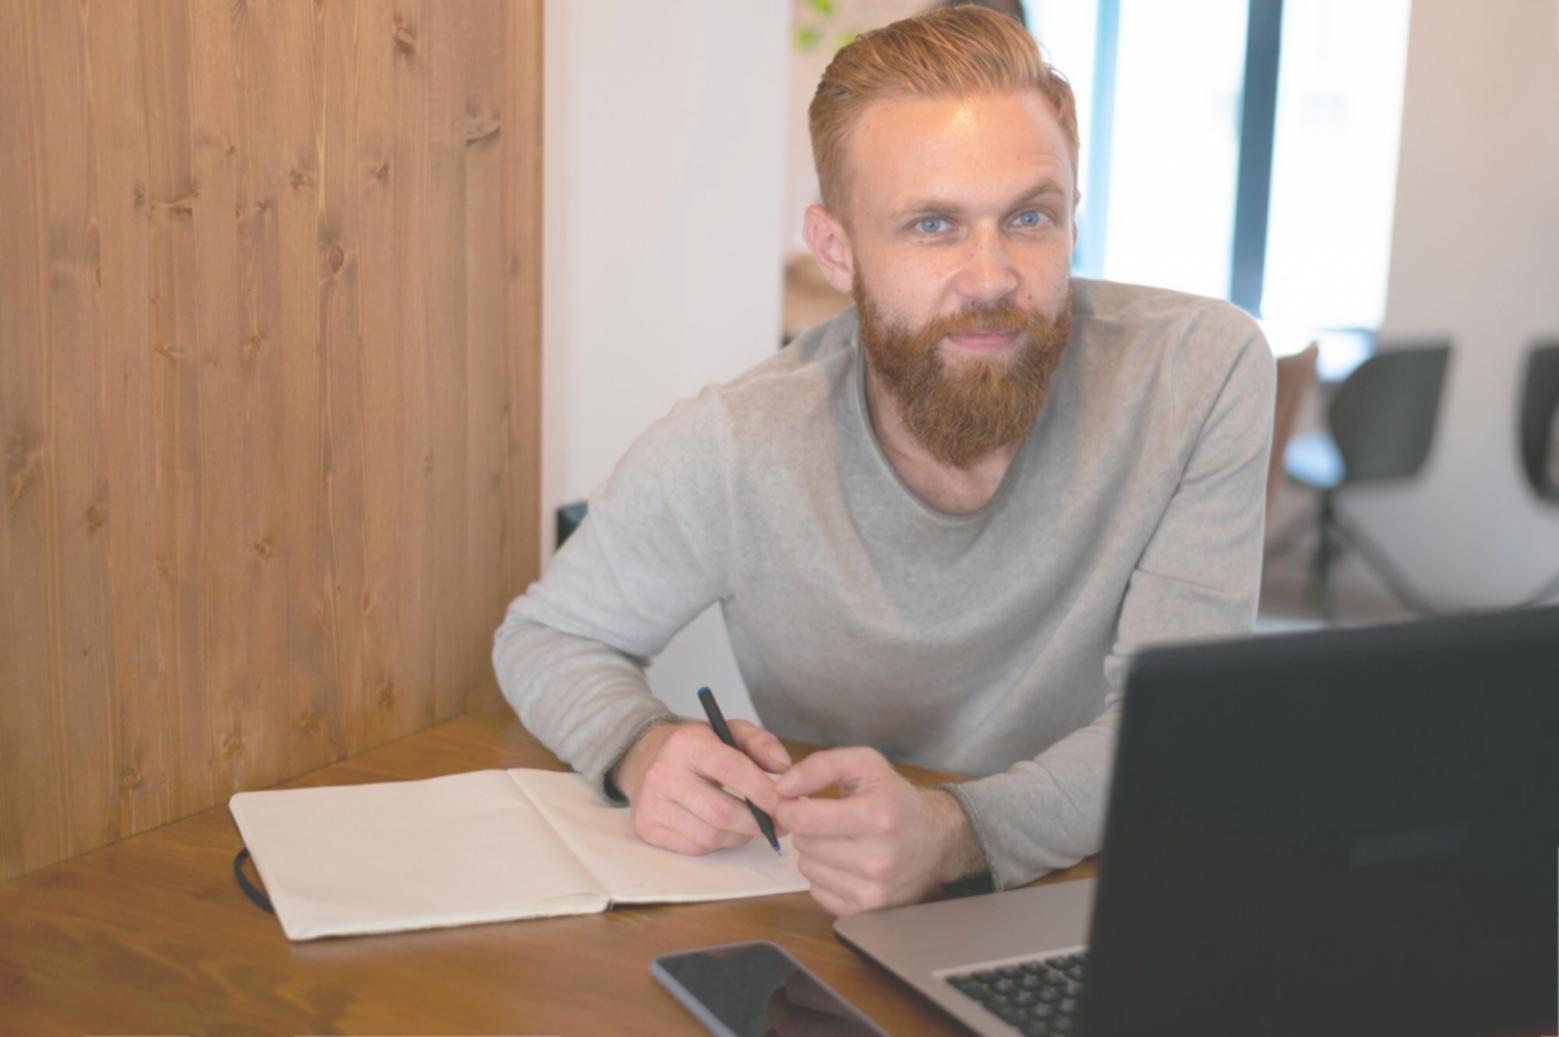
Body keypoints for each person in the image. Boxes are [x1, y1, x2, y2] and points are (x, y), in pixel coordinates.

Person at [493, 6, 1274, 917]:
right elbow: (544, 637)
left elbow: (1176, 733)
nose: (991, 277)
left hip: (1105, 887)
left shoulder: (1197, 372)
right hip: (842, 901)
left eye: (1029, 216)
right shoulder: (739, 443)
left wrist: (953, 831)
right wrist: (639, 744)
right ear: (837, 248)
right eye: (932, 225)